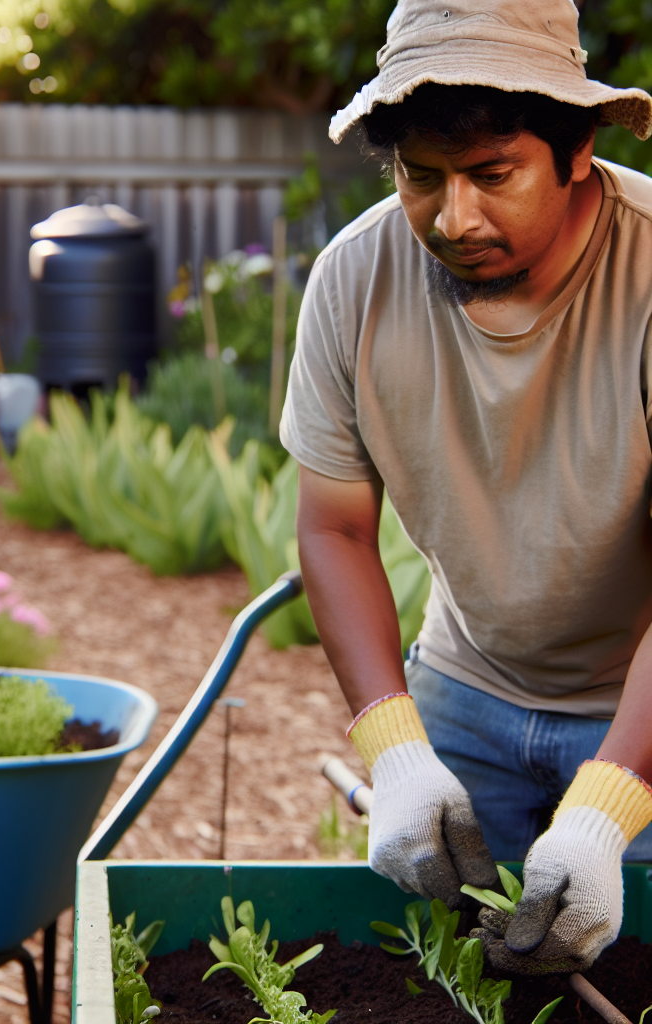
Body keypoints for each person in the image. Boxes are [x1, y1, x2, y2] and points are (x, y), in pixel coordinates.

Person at [280, 0, 652, 976]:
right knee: (432, 977)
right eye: (420, 177)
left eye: (492, 174)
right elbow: (334, 531)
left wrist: (611, 801)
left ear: (576, 150)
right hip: (467, 683)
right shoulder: (354, 279)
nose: (453, 218)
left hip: (639, 702)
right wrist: (396, 753)